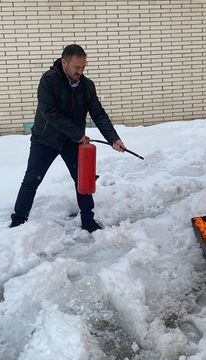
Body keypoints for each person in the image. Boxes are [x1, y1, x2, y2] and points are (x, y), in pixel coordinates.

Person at [10, 44, 126, 232]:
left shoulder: (87, 86)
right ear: (64, 63)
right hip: (45, 140)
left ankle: (88, 220)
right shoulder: (49, 81)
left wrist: (113, 138)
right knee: (32, 179)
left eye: (83, 68)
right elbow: (49, 113)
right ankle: (18, 220)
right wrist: (78, 133)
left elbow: (98, 114)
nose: (80, 72)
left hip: (72, 142)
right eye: (76, 67)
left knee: (83, 180)